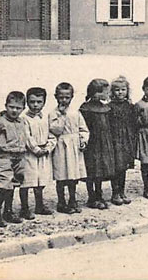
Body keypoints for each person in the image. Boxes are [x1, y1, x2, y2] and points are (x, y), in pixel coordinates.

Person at [0, 91, 29, 227]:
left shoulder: (22, 122)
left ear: (23, 108)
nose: (14, 110)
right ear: (6, 106)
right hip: (4, 156)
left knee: (13, 185)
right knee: (5, 186)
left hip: (19, 156)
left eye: (18, 108)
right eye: (11, 107)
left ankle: (8, 212)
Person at [49, 82, 88, 214]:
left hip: (74, 147)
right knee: (61, 176)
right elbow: (55, 130)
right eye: (61, 97)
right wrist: (61, 116)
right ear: (56, 97)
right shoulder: (53, 113)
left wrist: (83, 140)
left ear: (72, 97)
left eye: (67, 97)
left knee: (73, 176)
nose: (64, 100)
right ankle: (61, 202)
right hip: (61, 146)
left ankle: (72, 200)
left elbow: (83, 129)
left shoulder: (75, 112)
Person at [19, 87, 55, 219]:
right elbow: (26, 136)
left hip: (44, 153)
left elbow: (52, 133)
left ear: (44, 102)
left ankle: (39, 206)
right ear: (27, 102)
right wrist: (36, 149)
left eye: (39, 102)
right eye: (32, 102)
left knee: (41, 181)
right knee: (27, 182)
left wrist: (49, 147)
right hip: (29, 154)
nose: (35, 105)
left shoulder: (46, 117)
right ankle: (24, 208)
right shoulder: (24, 119)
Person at [79, 79, 115, 209]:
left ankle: (99, 195)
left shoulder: (105, 108)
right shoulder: (86, 109)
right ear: (97, 93)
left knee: (100, 171)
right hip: (92, 145)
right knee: (91, 171)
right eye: (106, 92)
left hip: (103, 144)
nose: (108, 94)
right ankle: (91, 197)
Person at [108, 76, 135, 205]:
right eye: (117, 90)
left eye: (123, 89)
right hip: (115, 140)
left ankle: (122, 191)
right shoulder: (109, 107)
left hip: (126, 139)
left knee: (123, 167)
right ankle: (115, 193)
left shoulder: (129, 106)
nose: (120, 92)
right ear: (112, 92)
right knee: (116, 167)